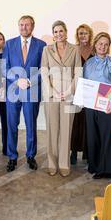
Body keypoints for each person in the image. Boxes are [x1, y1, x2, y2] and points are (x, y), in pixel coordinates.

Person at [4, 15, 47, 172]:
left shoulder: (41, 45)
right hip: (13, 91)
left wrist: (29, 81)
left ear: (33, 26)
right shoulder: (9, 44)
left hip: (31, 90)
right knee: (11, 125)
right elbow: (4, 68)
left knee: (31, 125)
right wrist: (17, 81)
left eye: (27, 25)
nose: (24, 27)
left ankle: (31, 155)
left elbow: (44, 68)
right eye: (21, 25)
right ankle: (12, 157)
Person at [41, 21, 82, 177]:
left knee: (66, 130)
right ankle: (52, 163)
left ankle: (64, 164)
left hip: (68, 95)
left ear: (66, 32)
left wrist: (69, 91)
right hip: (51, 96)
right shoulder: (47, 50)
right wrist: (51, 91)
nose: (58, 34)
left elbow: (78, 72)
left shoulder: (74, 49)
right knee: (52, 130)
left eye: (61, 31)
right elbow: (44, 71)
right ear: (53, 34)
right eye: (56, 31)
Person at [83, 32, 111, 179]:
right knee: (93, 136)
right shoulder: (88, 64)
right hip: (90, 106)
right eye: (100, 43)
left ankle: (107, 170)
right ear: (95, 44)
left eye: (106, 44)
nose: (103, 46)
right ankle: (94, 166)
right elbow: (84, 83)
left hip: (107, 107)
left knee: (107, 138)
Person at [70, 24, 94, 165]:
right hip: (77, 89)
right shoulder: (73, 50)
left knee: (88, 121)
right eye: (80, 33)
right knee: (75, 122)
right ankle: (73, 152)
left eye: (85, 33)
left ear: (90, 34)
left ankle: (87, 152)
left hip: (91, 90)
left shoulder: (95, 49)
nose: (82, 35)